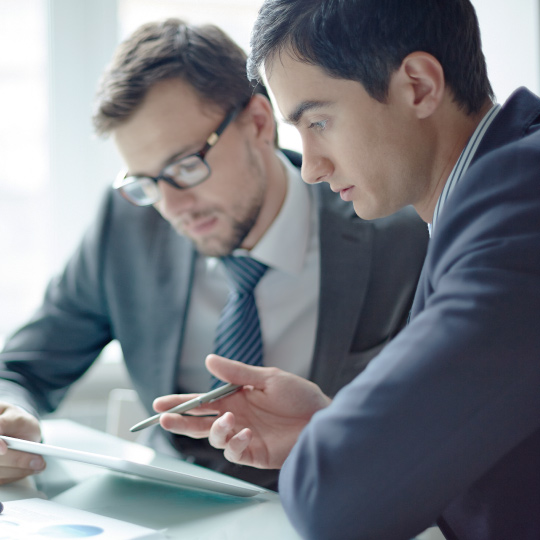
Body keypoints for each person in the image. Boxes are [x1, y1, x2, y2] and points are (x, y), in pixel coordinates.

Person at [154, 1, 540, 538]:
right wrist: (326, 424)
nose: (310, 168)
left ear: (420, 86)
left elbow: (333, 500)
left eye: (319, 121)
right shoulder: (491, 195)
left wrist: (335, 446)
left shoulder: (521, 201)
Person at [0, 19, 428, 489]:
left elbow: (428, 433)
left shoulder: (396, 239)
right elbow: (21, 367)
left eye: (186, 166)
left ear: (259, 123)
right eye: (147, 183)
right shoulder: (126, 225)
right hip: (170, 512)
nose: (172, 207)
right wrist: (11, 416)